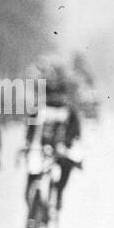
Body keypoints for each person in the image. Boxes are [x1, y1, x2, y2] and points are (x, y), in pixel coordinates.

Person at [23, 67, 82, 210]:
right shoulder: (38, 109)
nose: (54, 97)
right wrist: (29, 142)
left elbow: (75, 130)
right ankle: (30, 197)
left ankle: (59, 192)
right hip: (41, 146)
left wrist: (67, 142)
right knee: (33, 170)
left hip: (60, 147)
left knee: (67, 165)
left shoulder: (69, 111)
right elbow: (31, 129)